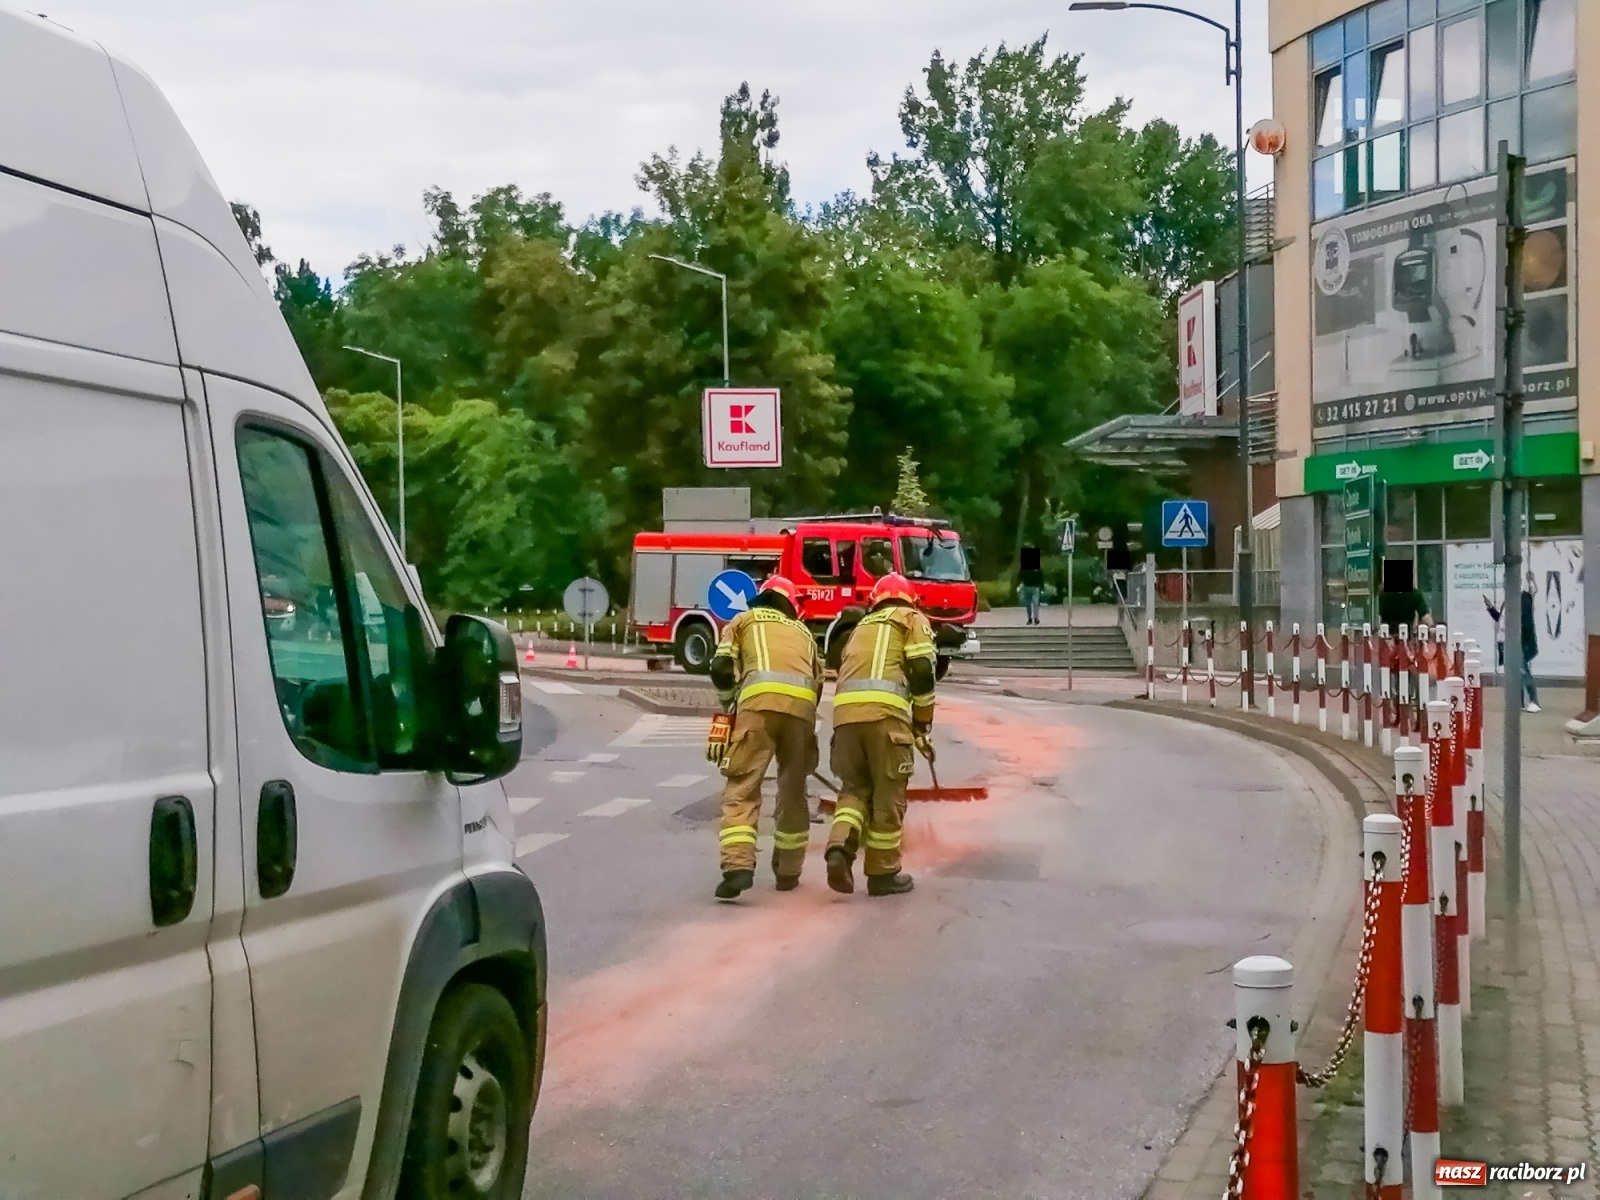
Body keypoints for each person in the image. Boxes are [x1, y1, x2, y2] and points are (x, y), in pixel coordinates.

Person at [706, 575, 823, 900]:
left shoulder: (744, 620)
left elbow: (720, 666)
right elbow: (817, 683)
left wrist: (729, 700)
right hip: (802, 710)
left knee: (742, 787)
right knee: (793, 789)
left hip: (756, 706)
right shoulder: (803, 633)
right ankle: (788, 872)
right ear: (790, 605)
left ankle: (738, 867)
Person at [823, 572, 937, 897]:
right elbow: (921, 672)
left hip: (845, 719)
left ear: (874, 601)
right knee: (889, 795)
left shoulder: (860, 628)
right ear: (910, 599)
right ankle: (883, 872)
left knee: (853, 790)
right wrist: (922, 724)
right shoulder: (911, 618)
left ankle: (839, 850)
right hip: (886, 719)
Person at [1485, 573, 1541, 712]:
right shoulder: (1508, 601)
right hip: (1508, 642)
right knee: (1517, 673)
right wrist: (1491, 609)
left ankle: (1534, 701)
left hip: (1520, 642)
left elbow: (1531, 597)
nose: (1505, 585)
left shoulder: (1523, 598)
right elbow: (1501, 620)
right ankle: (1519, 702)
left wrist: (1532, 581)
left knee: (1523, 671)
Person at [1378, 559, 1431, 632]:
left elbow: (1425, 615)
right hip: (1386, 634)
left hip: (1407, 634)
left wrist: (1431, 627)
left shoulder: (1414, 594)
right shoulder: (1383, 594)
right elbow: (1377, 617)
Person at [1018, 547, 1044, 626]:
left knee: (1035, 602)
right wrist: (1019, 585)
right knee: (1028, 604)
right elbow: (1020, 576)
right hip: (1026, 586)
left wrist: (1041, 587)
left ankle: (1036, 618)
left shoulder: (1037, 568)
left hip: (1035, 587)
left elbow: (1041, 577)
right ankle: (1029, 618)